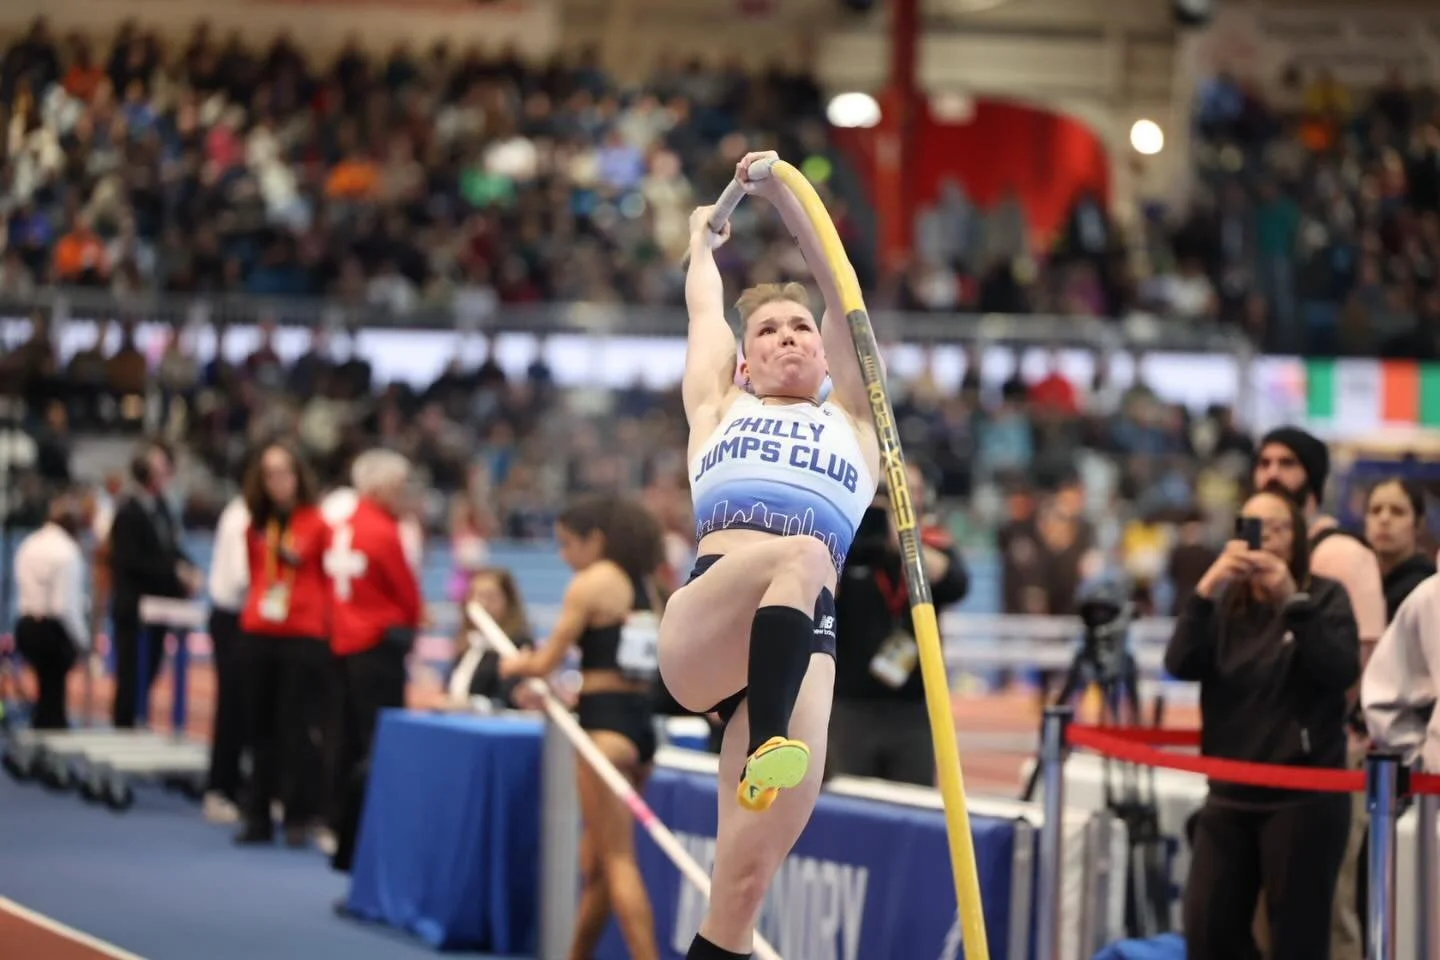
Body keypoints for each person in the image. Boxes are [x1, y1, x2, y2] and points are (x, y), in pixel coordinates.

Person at [656, 150, 881, 960]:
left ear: (823, 354)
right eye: (768, 329)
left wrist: (790, 197)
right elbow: (702, 314)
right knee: (804, 555)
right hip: (712, 623)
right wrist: (702, 244)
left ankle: (768, 749)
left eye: (800, 328)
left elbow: (839, 286)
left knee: (741, 894)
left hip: (805, 640)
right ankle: (766, 744)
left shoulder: (856, 422)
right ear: (745, 362)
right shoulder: (718, 408)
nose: (789, 335)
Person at [1165, 487, 1359, 960]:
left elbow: (1338, 670)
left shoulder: (1324, 597)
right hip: (1229, 792)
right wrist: (1207, 588)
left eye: (1278, 527)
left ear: (1298, 538)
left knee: (1296, 940)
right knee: (1207, 931)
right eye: (1253, 527)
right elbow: (1180, 662)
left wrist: (1293, 600)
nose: (1265, 537)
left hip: (1303, 796)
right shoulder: (1225, 604)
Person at [500, 494, 668, 960]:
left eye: (567, 544)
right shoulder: (648, 586)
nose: (564, 556)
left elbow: (546, 662)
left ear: (596, 540)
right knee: (597, 867)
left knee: (618, 862)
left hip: (604, 732)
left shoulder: (592, 582)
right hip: (640, 731)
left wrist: (517, 664)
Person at [1251, 426, 1385, 960]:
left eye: (1287, 463)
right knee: (1266, 915)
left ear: (1313, 477)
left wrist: (1325, 732)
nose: (1272, 473)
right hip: (1263, 757)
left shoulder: (1342, 555)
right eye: (1264, 462)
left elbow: (1364, 660)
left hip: (1327, 759)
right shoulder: (1250, 553)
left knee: (1330, 909)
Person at [829, 464, 968, 784]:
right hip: (850, 704)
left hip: (913, 706)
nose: (895, 499)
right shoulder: (846, 538)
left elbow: (956, 583)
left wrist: (902, 539)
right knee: (847, 798)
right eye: (885, 490)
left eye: (906, 491)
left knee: (912, 799)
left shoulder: (934, 543)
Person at [326, 449, 423, 873]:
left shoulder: (343, 526)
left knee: (343, 738)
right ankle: (370, 832)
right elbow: (406, 593)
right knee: (378, 743)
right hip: (378, 647)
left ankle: (338, 825)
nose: (403, 495)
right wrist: (412, 622)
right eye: (399, 487)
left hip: (343, 642)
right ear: (381, 488)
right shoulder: (383, 532)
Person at [235, 442, 331, 847]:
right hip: (260, 631)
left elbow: (320, 573)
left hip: (303, 635)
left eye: (284, 472)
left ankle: (298, 815)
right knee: (259, 728)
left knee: (297, 728)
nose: (277, 482)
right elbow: (255, 573)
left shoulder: (317, 523)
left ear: (298, 475)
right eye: (269, 474)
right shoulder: (254, 526)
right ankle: (257, 815)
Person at [107, 439, 201, 728]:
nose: (165, 475)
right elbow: (131, 561)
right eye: (159, 469)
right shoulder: (128, 511)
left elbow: (170, 549)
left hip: (158, 606)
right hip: (133, 607)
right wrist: (175, 573)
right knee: (130, 675)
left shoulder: (162, 507)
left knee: (150, 670)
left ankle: (138, 721)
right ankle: (124, 728)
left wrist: (189, 570)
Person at [13, 491, 89, 729]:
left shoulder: (29, 543)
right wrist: (83, 641)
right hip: (51, 631)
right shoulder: (67, 553)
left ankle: (44, 722)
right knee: (53, 690)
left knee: (48, 690)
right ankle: (51, 726)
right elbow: (64, 607)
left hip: (25, 626)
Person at [204, 488, 251, 823]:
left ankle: (237, 784)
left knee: (247, 709)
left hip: (246, 617)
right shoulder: (240, 518)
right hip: (235, 618)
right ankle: (221, 788)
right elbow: (240, 578)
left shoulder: (248, 516)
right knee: (233, 707)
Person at [448, 568, 536, 708]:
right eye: (475, 595)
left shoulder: (517, 644)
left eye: (490, 597)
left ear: (508, 601)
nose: (482, 604)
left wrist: (467, 705)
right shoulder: (467, 643)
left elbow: (508, 699)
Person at [1362, 477, 1435, 619]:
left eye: (1397, 511)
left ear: (1418, 524)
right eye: (1375, 510)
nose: (1384, 519)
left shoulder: (1425, 589)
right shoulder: (1358, 583)